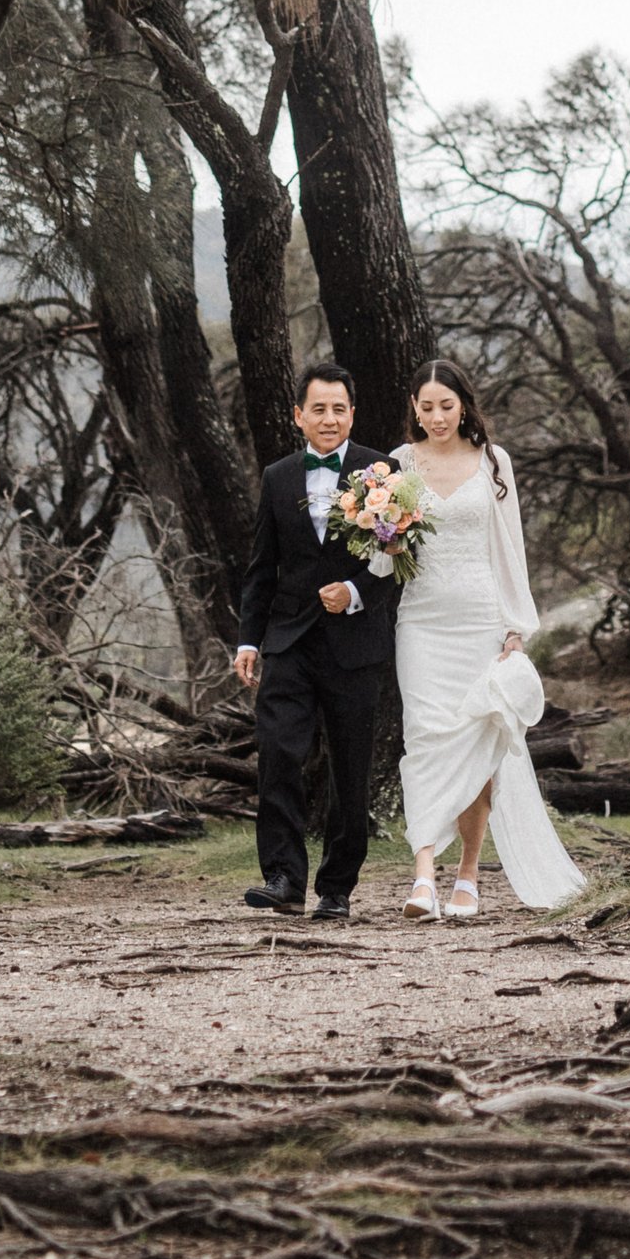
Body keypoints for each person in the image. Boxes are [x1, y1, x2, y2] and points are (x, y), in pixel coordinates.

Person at [395, 359, 586, 919]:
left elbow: (510, 550)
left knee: (479, 744)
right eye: (426, 407)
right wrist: (383, 549)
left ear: (464, 405)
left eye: (446, 406)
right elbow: (386, 569)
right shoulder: (398, 466)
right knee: (425, 740)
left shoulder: (493, 462)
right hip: (421, 622)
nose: (436, 417)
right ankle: (423, 876)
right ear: (414, 408)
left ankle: (468, 875)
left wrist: (515, 629)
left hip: (480, 619)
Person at [232, 361, 400, 919]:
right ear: (298, 415)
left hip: (354, 643)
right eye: (318, 409)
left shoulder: (383, 471)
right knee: (279, 753)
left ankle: (336, 889)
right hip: (288, 641)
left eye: (339, 408)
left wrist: (352, 592)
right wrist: (248, 640)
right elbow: (262, 566)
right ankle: (282, 877)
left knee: (349, 767)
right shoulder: (278, 476)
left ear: (352, 413)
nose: (328, 419)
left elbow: (396, 559)